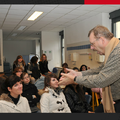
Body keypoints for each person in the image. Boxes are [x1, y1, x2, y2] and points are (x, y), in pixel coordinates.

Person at [59, 25, 120, 113]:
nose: (91, 47)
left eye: (92, 44)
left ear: (102, 40)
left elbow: (101, 80)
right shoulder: (112, 51)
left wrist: (74, 79)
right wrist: (78, 74)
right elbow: (99, 70)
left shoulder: (117, 53)